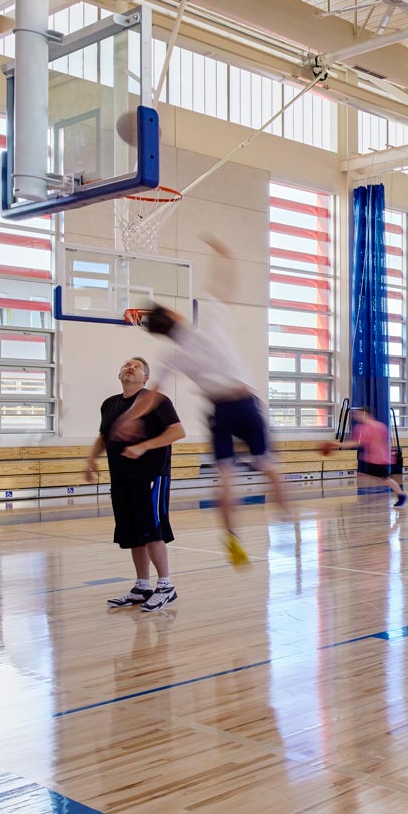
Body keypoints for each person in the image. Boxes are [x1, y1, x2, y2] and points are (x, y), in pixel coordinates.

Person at [120, 235, 288, 567]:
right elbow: (223, 284)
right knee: (269, 467)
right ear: (173, 314)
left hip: (219, 412)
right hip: (244, 403)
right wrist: (224, 253)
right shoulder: (208, 323)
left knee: (225, 476)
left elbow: (153, 394)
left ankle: (231, 537)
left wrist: (131, 417)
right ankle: (287, 518)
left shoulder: (173, 354)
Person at [87, 356, 186, 611]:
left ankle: (165, 586)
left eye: (137, 366)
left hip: (151, 476)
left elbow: (177, 431)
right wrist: (91, 460)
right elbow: (103, 435)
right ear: (119, 375)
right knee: (133, 535)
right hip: (121, 477)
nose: (130, 367)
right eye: (126, 365)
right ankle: (143, 586)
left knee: (152, 531)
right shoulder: (109, 404)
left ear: (145, 378)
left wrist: (144, 446)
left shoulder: (157, 401)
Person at [337, 406, 405, 506]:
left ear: (365, 414)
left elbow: (357, 443)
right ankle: (378, 493)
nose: (356, 416)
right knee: (367, 476)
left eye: (358, 414)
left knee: (385, 478)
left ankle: (400, 495)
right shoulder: (368, 427)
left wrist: (339, 445)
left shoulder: (372, 427)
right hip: (370, 457)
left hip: (379, 458)